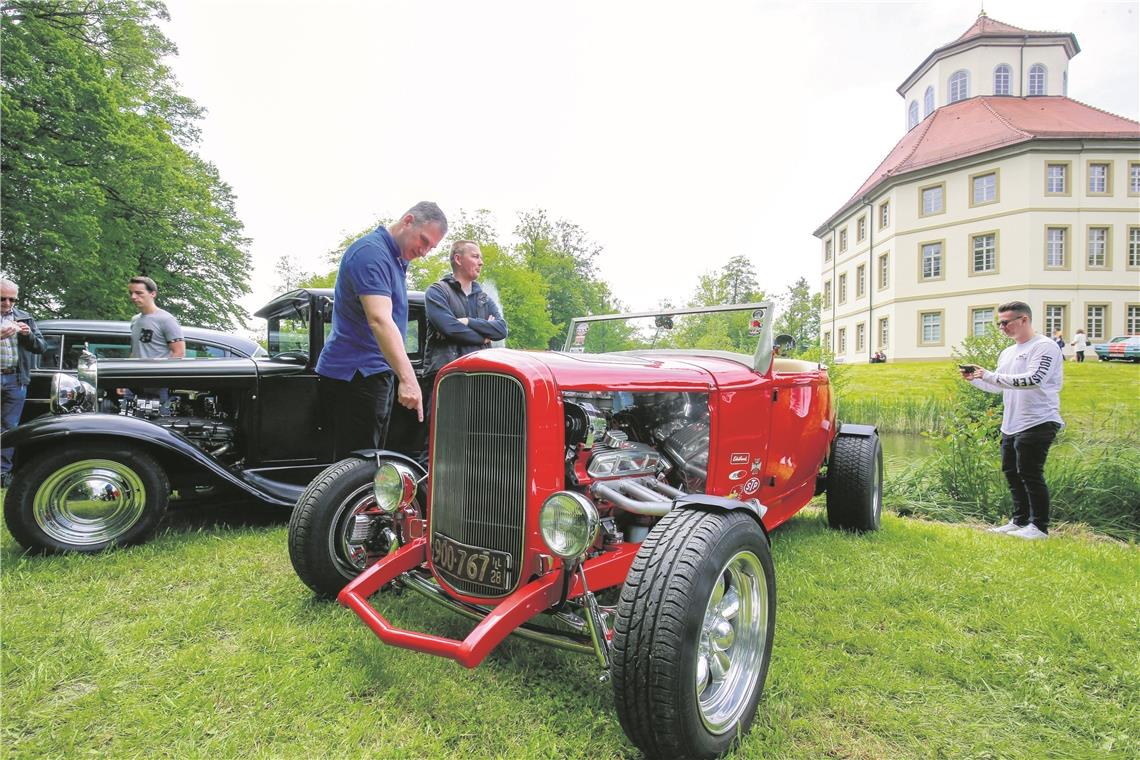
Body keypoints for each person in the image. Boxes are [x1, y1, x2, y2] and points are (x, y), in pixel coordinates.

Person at [316, 201, 447, 460]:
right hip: (356, 376)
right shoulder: (371, 253)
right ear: (408, 220)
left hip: (373, 373)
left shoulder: (395, 260)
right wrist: (409, 380)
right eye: (424, 241)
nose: (424, 252)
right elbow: (379, 320)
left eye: (431, 248)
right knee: (357, 467)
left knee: (369, 461)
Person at [960, 301, 1063, 540]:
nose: (1002, 327)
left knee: (1030, 473)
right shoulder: (1007, 352)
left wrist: (989, 374)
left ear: (1024, 320)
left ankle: (1039, 527)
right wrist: (975, 379)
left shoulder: (1045, 347)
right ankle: (1019, 521)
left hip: (1039, 419)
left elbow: (1035, 378)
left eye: (1005, 322)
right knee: (1011, 472)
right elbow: (999, 387)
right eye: (999, 323)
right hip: (1011, 422)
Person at [416, 240, 509, 464]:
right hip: (446, 378)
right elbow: (448, 327)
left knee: (476, 445)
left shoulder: (484, 297)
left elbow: (501, 329)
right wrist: (482, 336)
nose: (481, 262)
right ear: (458, 259)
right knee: (440, 445)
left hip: (479, 381)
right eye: (475, 256)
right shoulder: (437, 292)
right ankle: (427, 494)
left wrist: (467, 321)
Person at [0, 278, 46, 485]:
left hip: (15, 379)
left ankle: (3, 475)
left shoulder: (24, 318)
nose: (8, 304)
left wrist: (27, 336)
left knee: (10, 428)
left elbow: (41, 347)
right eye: (2, 299)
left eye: (12, 300)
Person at [128, 276, 185, 359]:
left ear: (153, 294)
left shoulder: (166, 320)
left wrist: (161, 371)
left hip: (156, 371)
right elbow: (135, 352)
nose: (133, 297)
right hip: (136, 371)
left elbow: (179, 353)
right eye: (131, 293)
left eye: (139, 293)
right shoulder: (135, 320)